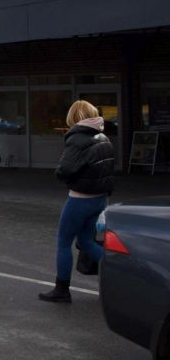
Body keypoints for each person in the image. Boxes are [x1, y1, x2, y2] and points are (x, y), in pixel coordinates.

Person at [39, 100, 114, 304]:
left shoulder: (77, 138)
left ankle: (62, 289)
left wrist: (65, 178)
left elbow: (65, 169)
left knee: (64, 242)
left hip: (80, 199)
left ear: (74, 117)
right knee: (87, 241)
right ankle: (120, 275)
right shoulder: (104, 137)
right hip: (99, 199)